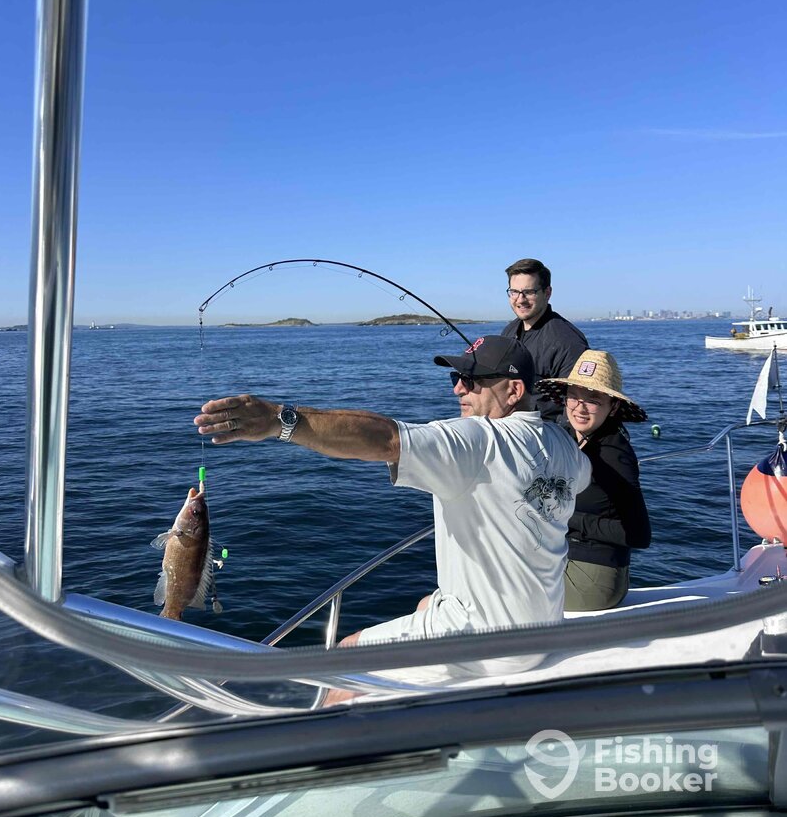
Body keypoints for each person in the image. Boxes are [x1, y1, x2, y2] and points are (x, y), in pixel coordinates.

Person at [193, 336, 592, 650]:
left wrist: (278, 421)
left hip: (483, 641)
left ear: (514, 390)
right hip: (541, 630)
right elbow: (579, 480)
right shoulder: (565, 447)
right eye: (456, 378)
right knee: (427, 603)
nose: (458, 389)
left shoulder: (477, 440)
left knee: (347, 652)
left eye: (472, 381)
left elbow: (385, 439)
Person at [535, 349, 651, 612]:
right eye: (573, 396)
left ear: (614, 406)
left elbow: (639, 534)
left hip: (593, 579)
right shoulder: (571, 437)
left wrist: (567, 516)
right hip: (566, 559)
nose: (580, 407)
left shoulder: (613, 455)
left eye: (593, 400)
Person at [501, 257, 589, 421]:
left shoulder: (568, 342)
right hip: (509, 424)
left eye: (529, 292)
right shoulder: (509, 330)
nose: (520, 299)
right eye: (514, 292)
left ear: (547, 293)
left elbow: (577, 405)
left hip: (545, 430)